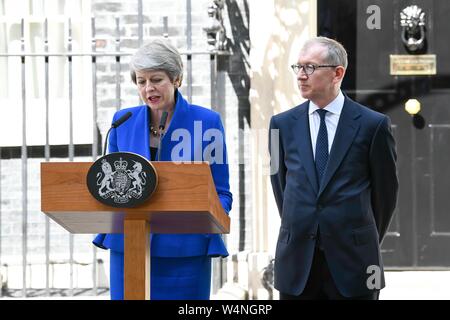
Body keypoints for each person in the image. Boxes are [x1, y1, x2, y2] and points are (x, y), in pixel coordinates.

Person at [93, 39, 233, 300]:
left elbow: (222, 193)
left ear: (176, 79)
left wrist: (205, 222)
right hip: (129, 248)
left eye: (156, 79)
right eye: (141, 81)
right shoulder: (121, 123)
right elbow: (109, 189)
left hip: (185, 252)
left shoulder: (207, 122)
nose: (148, 88)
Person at [268, 36, 398, 300]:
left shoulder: (374, 125)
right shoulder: (278, 125)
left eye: (310, 68)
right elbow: (280, 187)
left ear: (337, 73)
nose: (301, 76)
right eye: (298, 67)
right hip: (297, 266)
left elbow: (385, 196)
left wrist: (359, 237)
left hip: (354, 265)